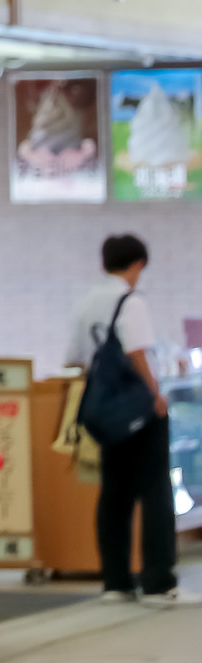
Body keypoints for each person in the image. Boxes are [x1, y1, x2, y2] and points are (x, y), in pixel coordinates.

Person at [66, 232, 196, 605]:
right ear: (137, 264)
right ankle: (159, 582)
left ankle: (116, 582)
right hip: (140, 410)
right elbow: (138, 352)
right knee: (155, 492)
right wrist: (155, 394)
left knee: (114, 494)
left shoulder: (86, 302)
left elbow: (76, 358)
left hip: (104, 413)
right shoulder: (131, 301)